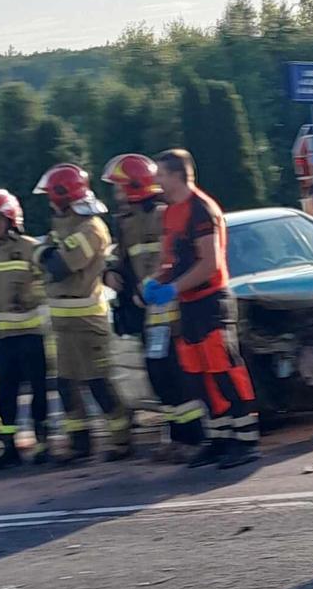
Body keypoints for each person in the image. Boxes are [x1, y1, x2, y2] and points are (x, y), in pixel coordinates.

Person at [140, 149, 259, 470]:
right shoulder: (169, 213)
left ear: (177, 175)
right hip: (188, 305)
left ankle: (245, 441)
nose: (156, 181)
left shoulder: (200, 209)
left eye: (161, 175)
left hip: (211, 302)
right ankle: (220, 439)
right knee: (199, 376)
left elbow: (210, 264)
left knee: (224, 370)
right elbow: (171, 260)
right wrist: (154, 281)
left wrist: (172, 289)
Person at [101, 153, 204, 462]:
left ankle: (193, 438)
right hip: (148, 314)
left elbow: (172, 260)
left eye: (120, 188)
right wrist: (109, 272)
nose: (117, 194)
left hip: (171, 311)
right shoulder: (125, 223)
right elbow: (118, 257)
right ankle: (175, 437)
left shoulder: (164, 215)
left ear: (133, 186)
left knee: (177, 376)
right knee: (158, 376)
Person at [32, 163, 131, 463]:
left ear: (63, 194)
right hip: (63, 322)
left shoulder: (91, 227)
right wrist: (46, 253)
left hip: (88, 321)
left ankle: (122, 438)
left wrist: (47, 253)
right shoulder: (62, 225)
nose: (49, 201)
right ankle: (80, 443)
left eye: (51, 195)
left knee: (98, 381)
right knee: (66, 384)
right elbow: (41, 255)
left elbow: (59, 267)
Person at [0, 190, 49, 471]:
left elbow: (46, 284)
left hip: (32, 334)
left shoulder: (31, 247)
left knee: (38, 391)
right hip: (3, 340)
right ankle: (9, 448)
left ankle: (42, 443)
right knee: (6, 395)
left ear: (10, 219)